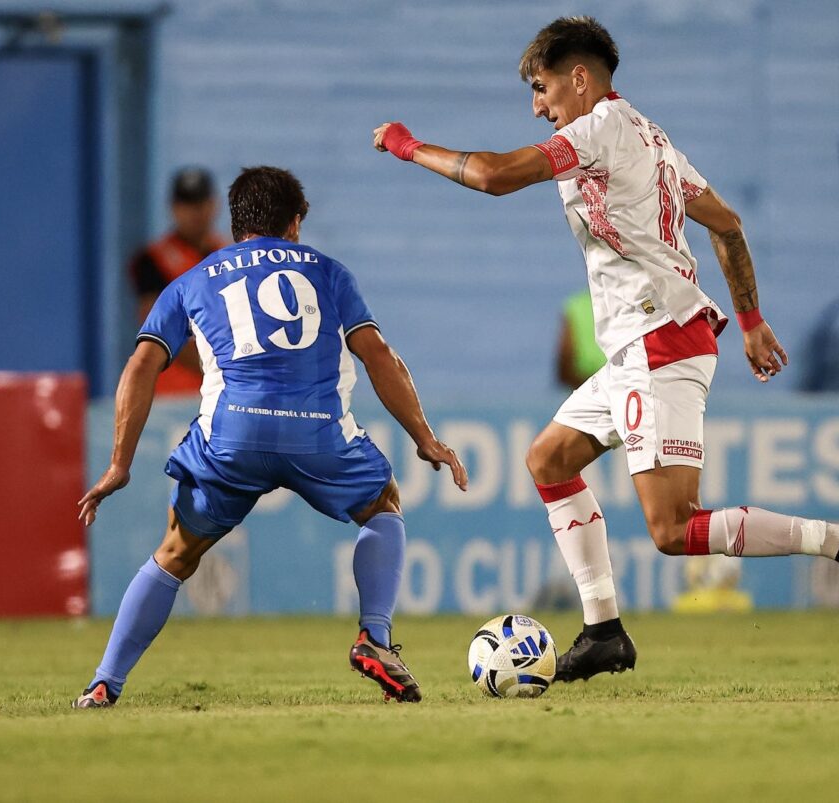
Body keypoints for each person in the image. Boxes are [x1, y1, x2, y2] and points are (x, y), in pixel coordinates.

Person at [373, 16, 839, 682]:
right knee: (549, 459)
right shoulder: (652, 139)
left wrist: (407, 146)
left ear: (579, 78)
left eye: (541, 88)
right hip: (639, 346)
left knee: (673, 528)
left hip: (660, 342)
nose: (537, 107)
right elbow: (728, 225)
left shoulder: (597, 131)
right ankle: (603, 631)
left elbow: (494, 175)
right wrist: (750, 320)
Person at [74, 166, 467, 707]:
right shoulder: (330, 273)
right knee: (383, 506)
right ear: (295, 223)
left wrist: (120, 463)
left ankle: (104, 682)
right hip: (317, 435)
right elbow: (378, 355)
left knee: (174, 553)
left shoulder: (192, 280)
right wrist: (424, 436)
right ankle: (374, 638)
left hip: (232, 436)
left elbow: (142, 363)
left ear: (236, 222)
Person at [128, 167, 228, 395]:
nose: (194, 212)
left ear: (214, 204)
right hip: (173, 394)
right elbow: (159, 329)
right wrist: (222, 369)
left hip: (222, 393)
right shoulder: (152, 261)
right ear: (173, 208)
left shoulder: (230, 257)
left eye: (200, 203)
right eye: (186, 204)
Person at [556, 287, 606, 391]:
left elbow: (564, 368)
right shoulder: (632, 304)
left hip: (584, 389)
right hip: (626, 390)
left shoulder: (575, 305)